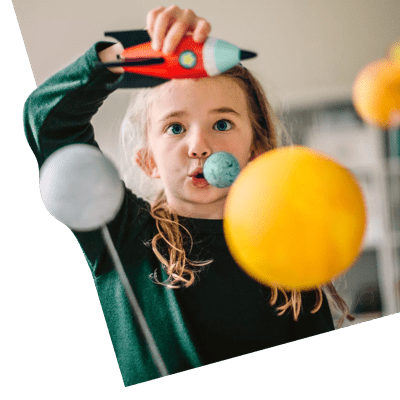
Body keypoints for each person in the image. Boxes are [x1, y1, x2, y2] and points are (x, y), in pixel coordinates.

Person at [23, 5, 353, 387]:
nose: (200, 145)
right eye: (176, 127)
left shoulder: (291, 257)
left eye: (222, 123)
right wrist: (124, 57)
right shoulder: (124, 233)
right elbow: (47, 122)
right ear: (148, 160)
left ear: (256, 150)